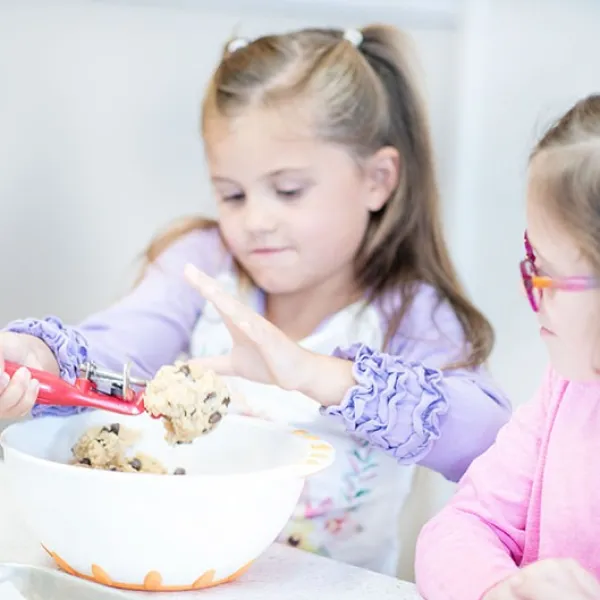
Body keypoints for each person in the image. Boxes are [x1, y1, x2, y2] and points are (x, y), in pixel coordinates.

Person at [0, 24, 510, 575]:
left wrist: (323, 377)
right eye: (232, 194)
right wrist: (36, 357)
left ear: (377, 180)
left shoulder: (409, 312)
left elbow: (491, 440)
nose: (256, 222)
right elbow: (115, 344)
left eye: (289, 190)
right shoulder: (201, 265)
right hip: (183, 574)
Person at [414, 94, 600, 599]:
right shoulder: (563, 390)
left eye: (549, 275)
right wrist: (498, 589)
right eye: (531, 261)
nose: (532, 292)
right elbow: (463, 525)